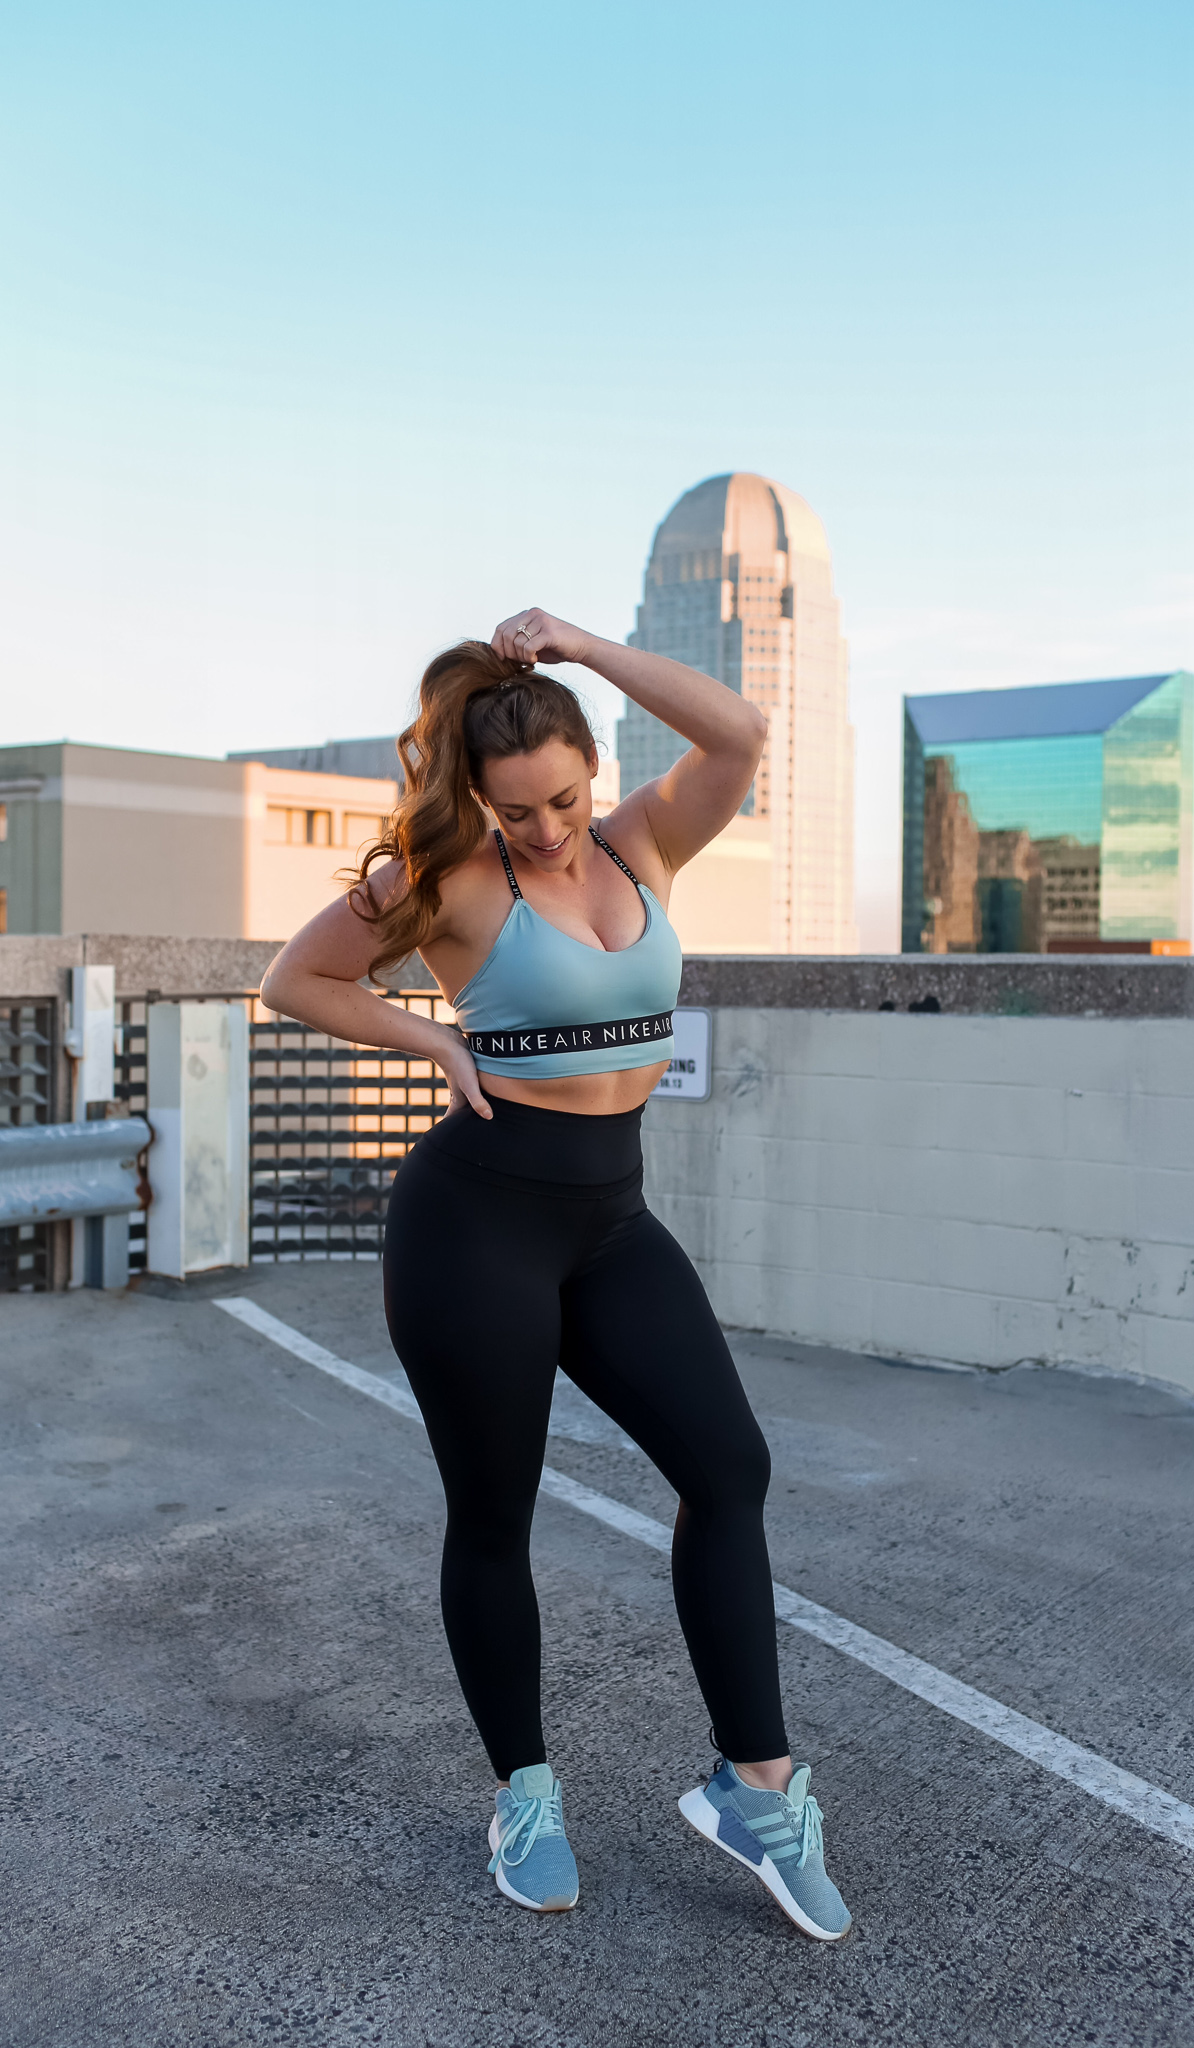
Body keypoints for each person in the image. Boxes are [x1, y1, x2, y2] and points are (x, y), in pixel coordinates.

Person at [260, 610, 852, 1941]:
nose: (544, 831)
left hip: (610, 1217)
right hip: (474, 1224)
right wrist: (430, 1044)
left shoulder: (644, 841)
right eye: (514, 809)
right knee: (495, 1515)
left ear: (596, 767)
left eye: (564, 799)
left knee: (727, 1468)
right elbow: (294, 978)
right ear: (476, 798)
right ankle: (523, 1792)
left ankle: (755, 1789)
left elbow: (740, 732)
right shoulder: (453, 879)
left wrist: (581, 643)